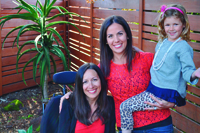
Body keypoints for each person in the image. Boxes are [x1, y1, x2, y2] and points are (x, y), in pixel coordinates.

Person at [59, 15, 176, 133]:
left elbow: (175, 79)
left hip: (159, 125)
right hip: (127, 128)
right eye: (110, 36)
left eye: (120, 34)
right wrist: (70, 95)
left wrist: (172, 103)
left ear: (127, 35)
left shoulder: (147, 59)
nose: (116, 40)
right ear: (106, 40)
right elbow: (91, 88)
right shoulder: (104, 68)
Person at [120, 4, 200, 133]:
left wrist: (195, 73)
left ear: (184, 24)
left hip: (164, 93)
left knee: (125, 106)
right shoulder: (162, 43)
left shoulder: (182, 47)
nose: (171, 28)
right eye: (168, 25)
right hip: (155, 88)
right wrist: (138, 52)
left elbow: (186, 71)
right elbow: (157, 62)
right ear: (163, 25)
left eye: (176, 24)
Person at [40, 63, 116, 133]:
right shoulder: (69, 104)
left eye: (94, 79)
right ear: (80, 85)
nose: (91, 86)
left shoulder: (109, 104)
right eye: (85, 82)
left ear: (101, 81)